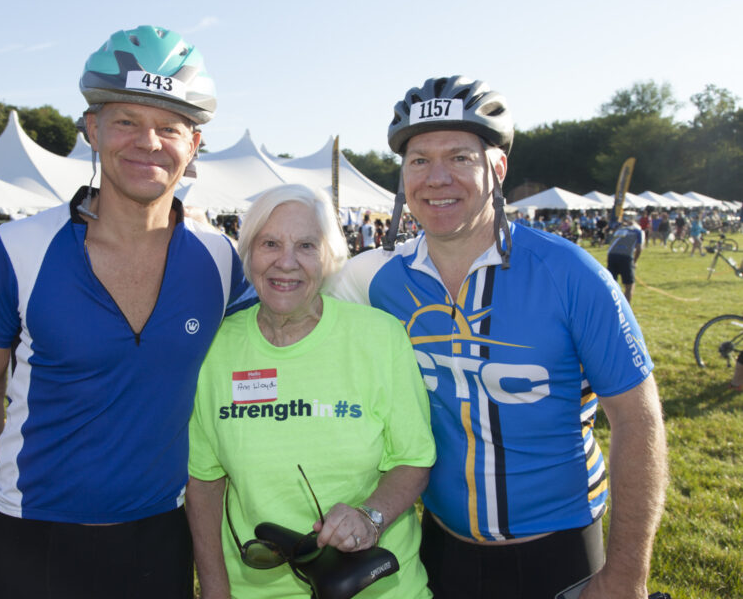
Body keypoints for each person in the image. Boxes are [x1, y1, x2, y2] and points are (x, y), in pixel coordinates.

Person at [326, 75, 668, 599]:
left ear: (498, 167)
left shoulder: (569, 272)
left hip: (562, 551)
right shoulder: (376, 280)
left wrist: (626, 574)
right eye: (419, 160)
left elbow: (637, 419)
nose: (437, 177)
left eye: (460, 157)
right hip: (442, 550)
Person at [0, 25, 255, 598]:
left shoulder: (221, 259)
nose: (148, 142)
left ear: (194, 145)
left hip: (160, 539)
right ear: (92, 129)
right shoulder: (17, 249)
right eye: (126, 122)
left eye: (169, 127)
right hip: (31, 534)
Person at [186, 184, 435, 599]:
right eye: (269, 243)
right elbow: (204, 483)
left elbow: (413, 460)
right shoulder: (215, 350)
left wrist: (370, 518)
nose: (286, 262)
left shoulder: (379, 337)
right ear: (248, 254)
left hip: (378, 590)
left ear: (330, 257)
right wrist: (214, 590)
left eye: (306, 245)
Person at [607, 213, 644, 303]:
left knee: (611, 284)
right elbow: (639, 248)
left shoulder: (620, 229)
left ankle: (609, 305)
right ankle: (626, 311)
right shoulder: (638, 231)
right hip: (626, 256)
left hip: (612, 255)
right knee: (629, 286)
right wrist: (634, 261)